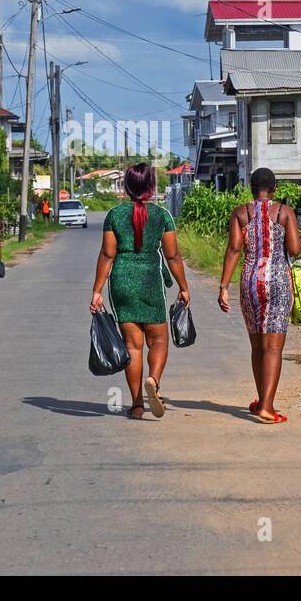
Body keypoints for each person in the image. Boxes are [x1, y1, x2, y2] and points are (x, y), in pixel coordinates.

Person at [90, 163, 189, 419]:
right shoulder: (162, 215)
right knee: (158, 339)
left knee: (132, 347)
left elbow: (107, 254)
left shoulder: (114, 215)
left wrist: (97, 290)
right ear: (151, 187)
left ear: (126, 187)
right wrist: (184, 287)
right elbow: (173, 256)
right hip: (150, 281)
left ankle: (136, 405)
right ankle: (153, 381)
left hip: (121, 282)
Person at [217, 168, 301, 423]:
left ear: (251, 188)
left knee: (257, 346)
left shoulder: (241, 213)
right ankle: (267, 406)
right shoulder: (284, 212)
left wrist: (223, 286)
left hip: (251, 281)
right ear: (274, 188)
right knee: (273, 347)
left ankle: (261, 399)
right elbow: (295, 249)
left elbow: (234, 249)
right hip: (278, 281)